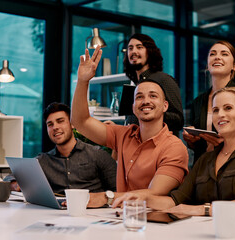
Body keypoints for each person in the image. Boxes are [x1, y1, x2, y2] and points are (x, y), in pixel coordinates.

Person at [113, 87, 235, 219]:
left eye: (228, 108)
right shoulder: (206, 159)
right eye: (215, 110)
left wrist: (203, 209)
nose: (220, 114)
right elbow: (177, 200)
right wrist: (141, 199)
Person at [71, 46, 188, 207]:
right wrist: (83, 81)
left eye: (153, 96)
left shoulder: (174, 147)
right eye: (139, 97)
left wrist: (107, 197)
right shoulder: (124, 134)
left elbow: (153, 193)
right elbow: (80, 122)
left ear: (165, 106)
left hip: (156, 224)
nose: (146, 101)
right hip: (122, 218)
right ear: (133, 107)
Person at [184, 40, 235, 164]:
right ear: (207, 65)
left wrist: (232, 140)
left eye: (224, 54)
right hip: (205, 169)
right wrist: (191, 140)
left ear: (234, 66)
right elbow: (200, 147)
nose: (217, 57)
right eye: (212, 54)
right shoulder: (198, 102)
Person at [4, 102, 117, 194]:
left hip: (94, 215)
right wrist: (15, 184)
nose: (55, 127)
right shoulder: (43, 160)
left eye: (60, 121)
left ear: (72, 124)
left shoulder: (97, 154)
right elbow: (9, 177)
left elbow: (118, 189)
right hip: (56, 216)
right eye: (50, 124)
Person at [123, 33, 184, 134]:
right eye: (130, 48)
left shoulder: (163, 79)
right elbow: (130, 122)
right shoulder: (133, 85)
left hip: (160, 146)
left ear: (150, 51)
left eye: (139, 47)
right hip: (135, 145)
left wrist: (152, 113)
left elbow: (178, 120)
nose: (134, 51)